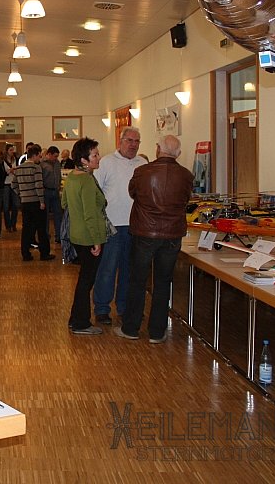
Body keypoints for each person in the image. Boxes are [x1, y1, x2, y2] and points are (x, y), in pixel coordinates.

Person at [115, 135, 194, 344]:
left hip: (144, 232)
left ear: (158, 149)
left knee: (137, 281)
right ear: (178, 153)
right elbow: (186, 199)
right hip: (172, 234)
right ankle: (157, 332)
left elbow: (133, 193)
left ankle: (131, 328)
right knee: (163, 282)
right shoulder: (186, 175)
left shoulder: (142, 172)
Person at [92, 127, 147, 326]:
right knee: (107, 269)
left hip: (135, 226)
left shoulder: (143, 164)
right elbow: (95, 193)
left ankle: (124, 307)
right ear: (120, 141)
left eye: (136, 141)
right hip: (112, 226)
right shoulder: (106, 162)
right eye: (129, 140)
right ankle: (102, 308)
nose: (133, 145)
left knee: (129, 270)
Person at [62, 137, 106, 335]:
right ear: (84, 160)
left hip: (77, 234)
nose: (99, 158)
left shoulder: (72, 177)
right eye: (94, 155)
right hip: (89, 237)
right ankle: (81, 323)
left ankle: (76, 319)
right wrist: (96, 241)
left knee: (83, 280)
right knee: (86, 281)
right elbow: (90, 214)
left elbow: (64, 203)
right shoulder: (86, 180)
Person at [12, 145, 52, 261]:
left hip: (25, 202)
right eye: (39, 155)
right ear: (34, 155)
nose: (40, 158)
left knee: (26, 229)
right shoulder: (36, 168)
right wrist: (42, 201)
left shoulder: (19, 168)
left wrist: (21, 194)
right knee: (41, 229)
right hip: (36, 202)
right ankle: (44, 253)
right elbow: (38, 185)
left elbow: (13, 185)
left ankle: (25, 254)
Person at [41, 146, 63, 244]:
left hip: (55, 191)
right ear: (49, 154)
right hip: (46, 191)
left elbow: (59, 175)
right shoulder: (42, 164)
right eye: (55, 156)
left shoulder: (57, 163)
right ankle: (45, 235)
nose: (56, 158)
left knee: (58, 214)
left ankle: (59, 235)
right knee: (45, 215)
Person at [2, 144, 20, 232]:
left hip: (13, 183)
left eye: (13, 150)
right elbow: (2, 172)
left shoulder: (15, 159)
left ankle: (13, 224)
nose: (12, 152)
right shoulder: (3, 161)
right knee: (6, 206)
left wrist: (14, 171)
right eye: (10, 150)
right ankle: (8, 225)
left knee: (16, 205)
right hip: (6, 183)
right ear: (7, 151)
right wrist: (9, 171)